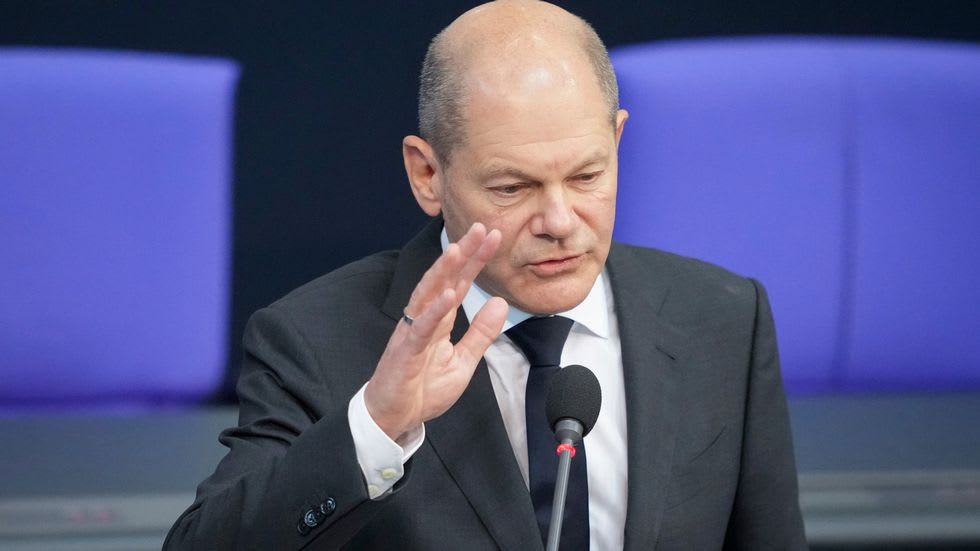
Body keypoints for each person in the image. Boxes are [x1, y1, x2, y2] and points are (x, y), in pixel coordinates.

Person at [165, 1, 807, 549]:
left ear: (618, 141)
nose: (559, 221)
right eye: (511, 188)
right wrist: (376, 427)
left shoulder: (725, 319)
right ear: (427, 175)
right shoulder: (314, 340)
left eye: (587, 175)